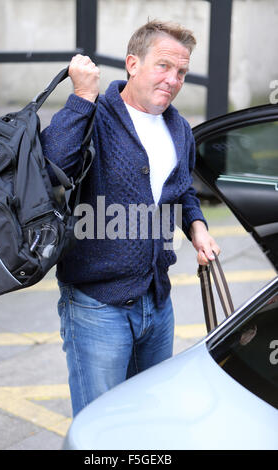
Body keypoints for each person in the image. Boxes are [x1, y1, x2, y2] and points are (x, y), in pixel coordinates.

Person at [40, 20, 220, 417]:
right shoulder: (96, 116)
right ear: (132, 64)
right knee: (101, 427)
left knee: (147, 421)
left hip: (157, 302)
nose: (173, 80)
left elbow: (182, 189)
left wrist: (197, 227)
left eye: (182, 72)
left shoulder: (179, 128)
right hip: (96, 305)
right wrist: (82, 97)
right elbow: (52, 167)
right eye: (163, 66)